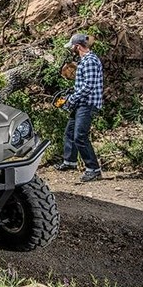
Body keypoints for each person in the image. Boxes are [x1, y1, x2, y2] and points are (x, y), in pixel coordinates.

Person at [56, 33, 104, 182]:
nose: (71, 50)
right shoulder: (84, 60)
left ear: (78, 46)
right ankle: (70, 161)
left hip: (87, 104)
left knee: (80, 137)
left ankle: (93, 169)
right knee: (70, 132)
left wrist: (72, 98)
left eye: (72, 47)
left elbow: (88, 86)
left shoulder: (89, 61)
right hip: (81, 102)